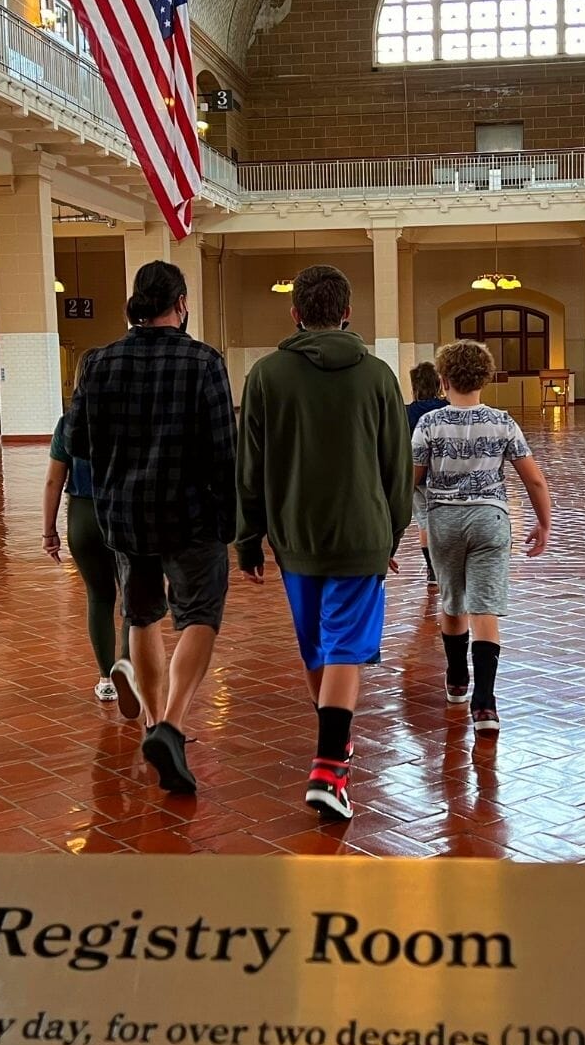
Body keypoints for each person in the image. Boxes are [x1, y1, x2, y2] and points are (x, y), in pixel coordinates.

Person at [236, 264, 411, 822]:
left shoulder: (265, 376)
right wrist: (395, 531)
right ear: (347, 312)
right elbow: (397, 466)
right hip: (361, 533)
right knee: (341, 649)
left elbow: (250, 466)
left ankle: (332, 752)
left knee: (320, 646)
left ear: (295, 314)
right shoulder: (379, 376)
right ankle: (330, 764)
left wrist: (247, 536)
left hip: (294, 536)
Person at [67, 261, 235, 796]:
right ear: (181, 303)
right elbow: (221, 450)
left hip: (124, 513)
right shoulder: (204, 361)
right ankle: (172, 724)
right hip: (190, 514)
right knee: (199, 616)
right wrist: (231, 518)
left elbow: (79, 445)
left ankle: (150, 723)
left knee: (141, 616)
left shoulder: (98, 363)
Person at [412, 340, 551, 738]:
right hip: (491, 520)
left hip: (443, 522)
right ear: (485, 379)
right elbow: (534, 478)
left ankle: (457, 679)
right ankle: (485, 705)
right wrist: (544, 524)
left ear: (442, 380)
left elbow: (412, 478)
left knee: (452, 601)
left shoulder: (429, 424)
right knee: (484, 609)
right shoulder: (503, 422)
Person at [44, 353, 121, 706]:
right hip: (123, 513)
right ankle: (131, 670)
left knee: (99, 597)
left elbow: (52, 482)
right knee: (136, 601)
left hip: (83, 516)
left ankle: (106, 678)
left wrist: (49, 532)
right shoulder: (127, 417)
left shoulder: (67, 423)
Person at [406, 361, 448, 587]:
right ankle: (447, 568)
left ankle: (432, 571)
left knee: (424, 522)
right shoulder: (446, 408)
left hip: (415, 476)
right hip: (442, 475)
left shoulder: (406, 412)